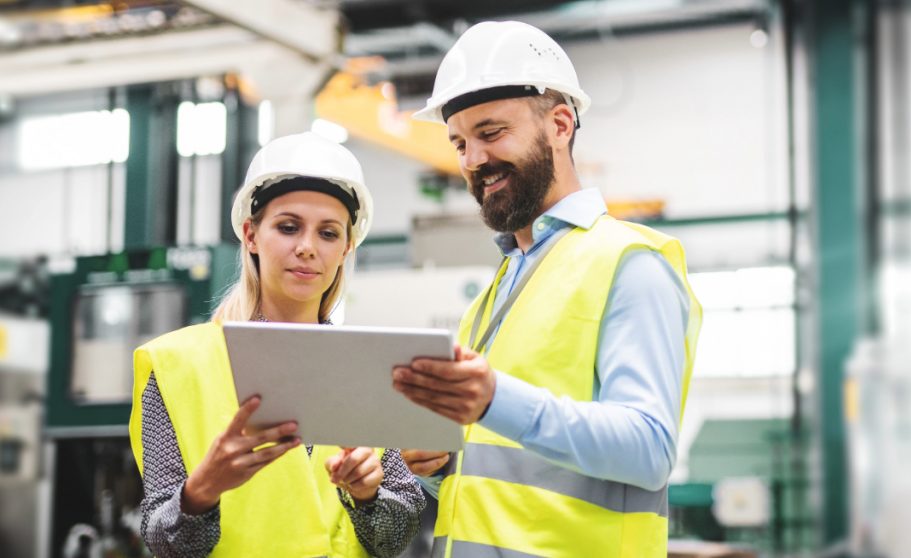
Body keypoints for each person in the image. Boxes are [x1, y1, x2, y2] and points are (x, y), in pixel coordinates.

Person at [391, 21, 702, 557]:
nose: (471, 161)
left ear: (560, 124)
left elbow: (649, 449)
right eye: (459, 142)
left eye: (490, 134)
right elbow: (504, 480)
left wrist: (493, 400)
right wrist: (441, 468)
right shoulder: (493, 295)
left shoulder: (631, 264)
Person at [128, 132, 425, 557]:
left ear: (345, 249)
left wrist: (366, 495)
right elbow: (163, 543)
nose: (307, 248)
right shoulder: (178, 366)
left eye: (328, 233)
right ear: (251, 235)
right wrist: (202, 490)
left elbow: (396, 536)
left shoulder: (367, 366)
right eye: (288, 228)